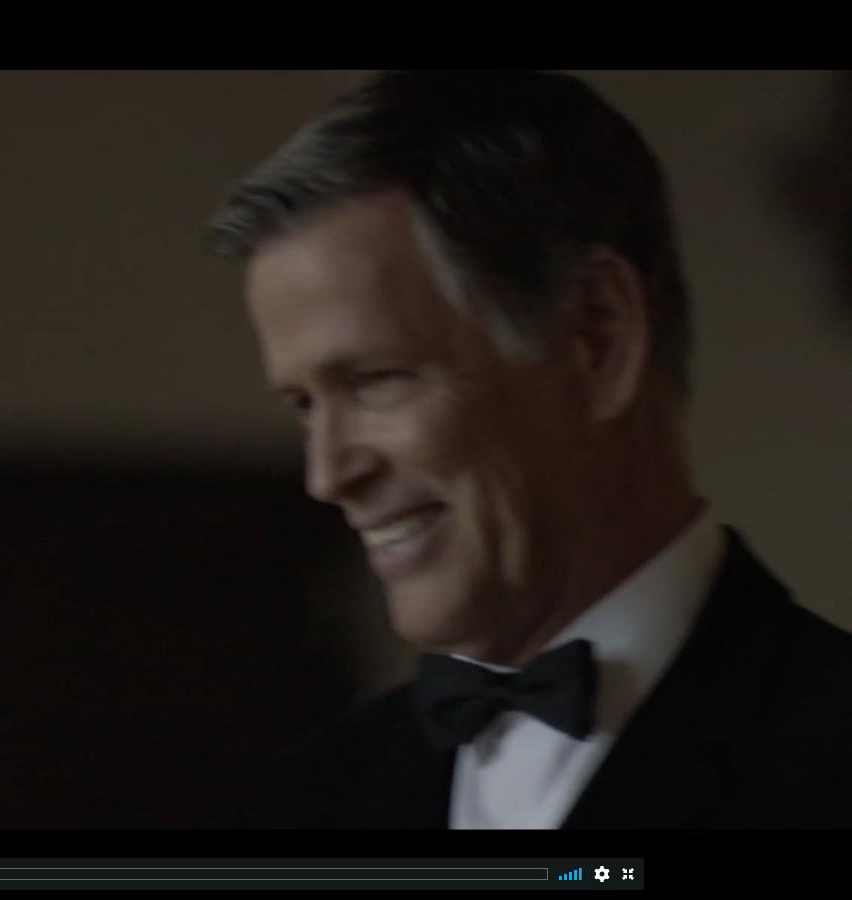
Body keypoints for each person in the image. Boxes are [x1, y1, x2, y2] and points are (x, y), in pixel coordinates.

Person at [206, 70, 852, 828]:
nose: (327, 475)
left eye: (376, 380)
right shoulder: (301, 803)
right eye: (304, 406)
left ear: (596, 342)